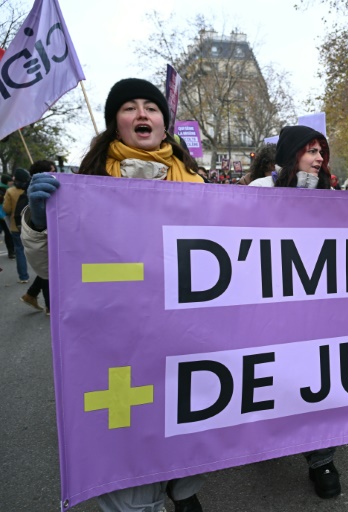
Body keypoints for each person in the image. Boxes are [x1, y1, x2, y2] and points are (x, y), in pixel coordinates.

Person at [22, 77, 205, 512]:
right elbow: (52, 271)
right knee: (129, 450)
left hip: (184, 340)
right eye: (129, 107)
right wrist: (39, 222)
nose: (142, 114)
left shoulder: (199, 186)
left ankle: (184, 488)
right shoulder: (83, 187)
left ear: (164, 123)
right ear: (114, 123)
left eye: (151, 107)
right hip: (116, 350)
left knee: (185, 427)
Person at [249, 125, 342, 499]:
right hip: (269, 308)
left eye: (322, 152)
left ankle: (321, 459)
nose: (319, 158)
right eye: (311, 150)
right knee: (273, 377)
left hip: (316, 311)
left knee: (317, 380)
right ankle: (265, 436)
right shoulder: (259, 191)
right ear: (292, 155)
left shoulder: (332, 196)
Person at [20, 159, 57, 314]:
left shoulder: (60, 191)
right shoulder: (32, 193)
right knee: (51, 270)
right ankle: (50, 306)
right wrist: (37, 224)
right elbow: (43, 266)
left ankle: (31, 294)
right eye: (53, 172)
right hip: (37, 241)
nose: (56, 175)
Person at [3, 168, 31, 283]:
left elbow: (6, 209)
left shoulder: (10, 191)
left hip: (16, 225)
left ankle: (23, 277)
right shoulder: (30, 189)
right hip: (31, 225)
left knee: (19, 250)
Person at [0, 174, 14, 259]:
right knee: (8, 234)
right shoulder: (4, 190)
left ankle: (11, 251)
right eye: (10, 181)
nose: (12, 182)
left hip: (4, 214)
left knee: (8, 233)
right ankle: (11, 252)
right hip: (4, 215)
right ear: (6, 182)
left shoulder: (8, 189)